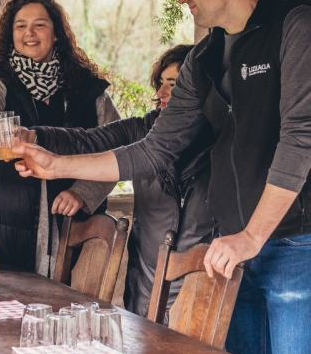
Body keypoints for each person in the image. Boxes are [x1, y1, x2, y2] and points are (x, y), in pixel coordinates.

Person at [12, 0, 311, 354]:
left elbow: (300, 139)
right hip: (234, 249)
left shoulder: (295, 26)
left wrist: (250, 236)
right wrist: (58, 163)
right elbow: (153, 149)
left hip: (294, 243)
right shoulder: (204, 58)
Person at [34, 44, 215, 317]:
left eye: (174, 85)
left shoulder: (219, 143)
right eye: (161, 84)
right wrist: (35, 136)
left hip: (201, 286)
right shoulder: (141, 129)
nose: (162, 93)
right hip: (145, 283)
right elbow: (88, 139)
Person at [0, 0, 120, 275]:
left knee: (58, 314)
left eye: (39, 25)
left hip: (70, 229)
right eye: (20, 26)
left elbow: (118, 150)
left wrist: (83, 192)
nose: (29, 33)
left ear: (56, 32)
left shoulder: (87, 90)